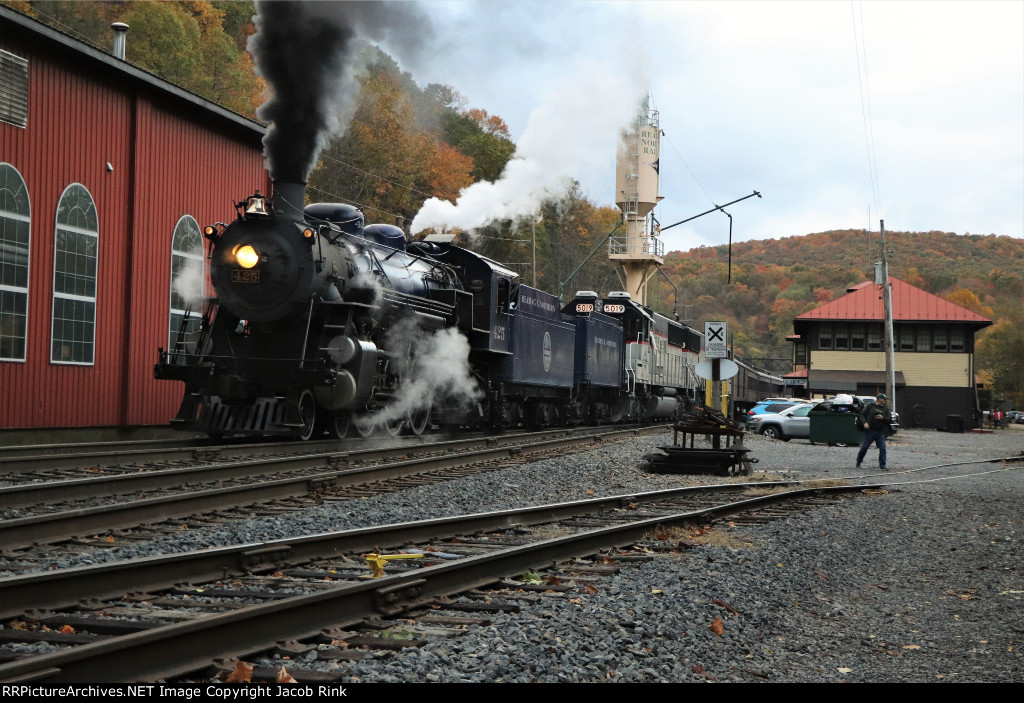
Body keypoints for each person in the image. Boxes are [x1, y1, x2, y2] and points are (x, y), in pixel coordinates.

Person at [856, 393, 893, 470]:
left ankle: (882, 465)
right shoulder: (870, 406)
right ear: (879, 399)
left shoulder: (885, 408)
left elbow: (889, 419)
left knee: (882, 448)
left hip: (880, 431)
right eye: (884, 399)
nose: (885, 400)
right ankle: (858, 461)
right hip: (870, 431)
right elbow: (862, 415)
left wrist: (882, 418)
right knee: (865, 447)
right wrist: (865, 423)